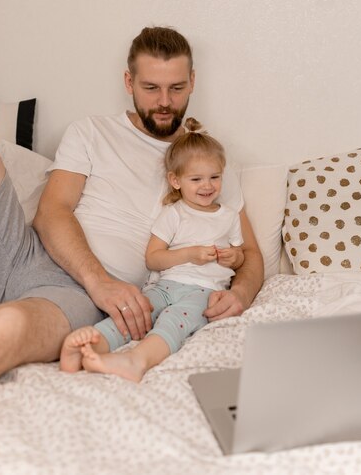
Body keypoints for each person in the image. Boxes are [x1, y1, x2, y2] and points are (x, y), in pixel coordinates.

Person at [0, 26, 264, 385]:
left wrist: (240, 293)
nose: (164, 101)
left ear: (192, 82)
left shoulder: (206, 162)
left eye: (176, 88)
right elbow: (51, 212)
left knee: (7, 329)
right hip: (22, 248)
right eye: (151, 87)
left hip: (71, 292)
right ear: (129, 81)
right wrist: (100, 281)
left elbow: (251, 252)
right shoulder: (90, 131)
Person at [60, 119, 244, 381]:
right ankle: (88, 348)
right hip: (165, 285)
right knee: (137, 312)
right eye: (196, 179)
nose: (207, 185)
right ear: (176, 180)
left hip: (205, 292)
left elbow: (240, 255)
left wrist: (234, 257)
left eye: (215, 177)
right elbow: (154, 258)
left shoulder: (228, 216)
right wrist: (189, 254)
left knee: (174, 320)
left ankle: (136, 360)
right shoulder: (173, 214)